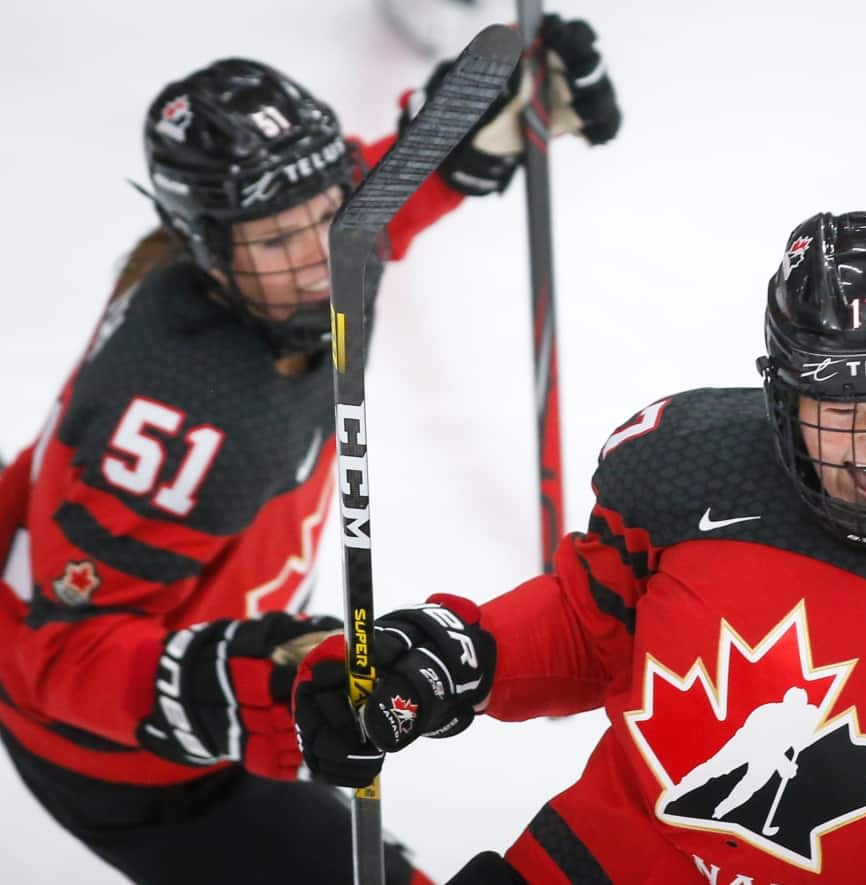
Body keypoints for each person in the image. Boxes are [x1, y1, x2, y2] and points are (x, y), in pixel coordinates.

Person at [293, 208, 866, 884]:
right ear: (782, 395)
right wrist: (460, 656)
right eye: (838, 414)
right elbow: (584, 632)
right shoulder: (685, 464)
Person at [0, 15, 621, 885]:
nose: (319, 257)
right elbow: (58, 657)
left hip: (197, 675)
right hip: (133, 764)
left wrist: (469, 123)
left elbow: (357, 213)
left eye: (324, 212)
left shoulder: (270, 269)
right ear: (209, 249)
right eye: (275, 239)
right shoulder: (185, 421)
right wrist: (269, 683)